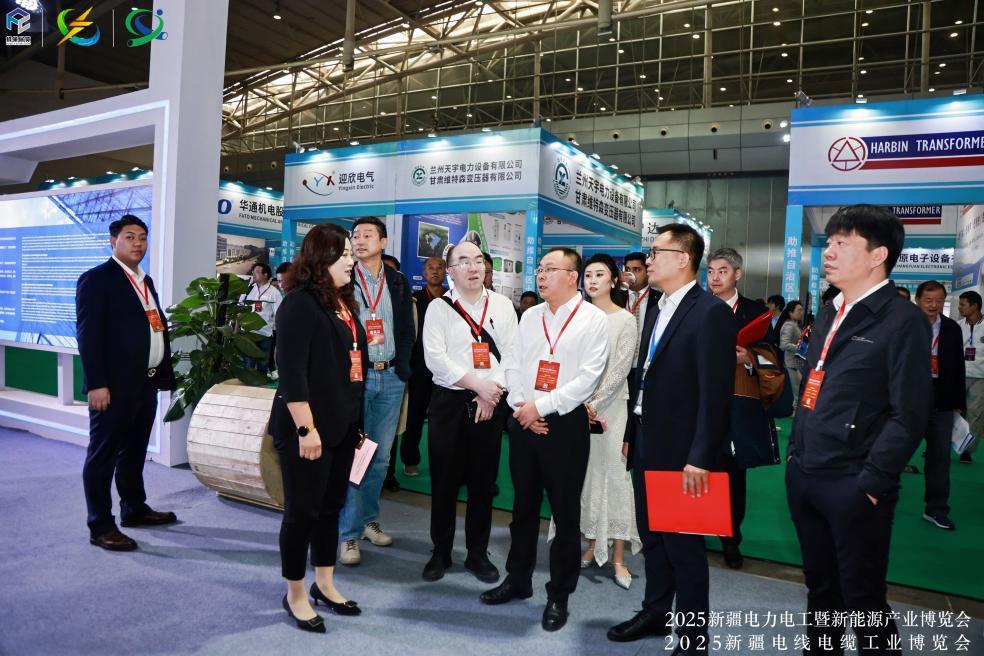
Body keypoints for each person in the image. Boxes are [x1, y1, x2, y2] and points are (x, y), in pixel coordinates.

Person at [785, 204, 931, 654]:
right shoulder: (830, 311)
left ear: (877, 255)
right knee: (820, 588)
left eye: (842, 243)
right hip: (806, 471)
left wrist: (871, 482)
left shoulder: (901, 320)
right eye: (828, 242)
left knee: (863, 599)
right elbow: (813, 386)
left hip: (854, 481)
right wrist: (795, 455)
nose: (828, 252)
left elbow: (910, 413)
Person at [608, 224, 736, 652]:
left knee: (685, 547)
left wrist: (700, 456)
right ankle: (656, 612)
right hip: (647, 440)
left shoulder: (710, 312)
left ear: (683, 259)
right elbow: (643, 378)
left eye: (655, 252)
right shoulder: (657, 307)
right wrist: (632, 432)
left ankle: (694, 636)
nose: (648, 260)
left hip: (684, 452)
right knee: (653, 538)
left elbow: (715, 395)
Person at [481, 247, 609, 633]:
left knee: (565, 515)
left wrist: (541, 407)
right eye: (540, 268)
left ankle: (559, 595)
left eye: (550, 269)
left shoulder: (593, 319)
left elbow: (587, 378)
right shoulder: (531, 315)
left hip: (565, 424)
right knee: (522, 507)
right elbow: (512, 363)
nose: (541, 275)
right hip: (525, 420)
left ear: (572, 276)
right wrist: (523, 406)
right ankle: (518, 579)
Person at [270, 224, 367, 633]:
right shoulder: (299, 303)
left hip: (341, 427)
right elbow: (292, 374)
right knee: (302, 512)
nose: (352, 260)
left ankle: (324, 584)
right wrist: (306, 430)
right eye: (344, 254)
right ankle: (294, 593)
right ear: (320, 258)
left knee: (330, 509)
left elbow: (351, 368)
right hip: (307, 430)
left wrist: (355, 424)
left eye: (351, 254)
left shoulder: (342, 302)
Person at [76, 215, 178, 552]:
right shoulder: (97, 279)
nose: (138, 243)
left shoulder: (144, 281)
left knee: (134, 452)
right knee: (103, 455)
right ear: (113, 241)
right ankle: (100, 525)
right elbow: (88, 336)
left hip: (144, 384)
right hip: (113, 387)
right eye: (130, 236)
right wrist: (96, 383)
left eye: (143, 237)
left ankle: (134, 508)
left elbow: (153, 328)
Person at [421, 240, 518, 583]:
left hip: (491, 401)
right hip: (450, 402)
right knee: (444, 482)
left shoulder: (502, 305)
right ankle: (440, 551)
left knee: (483, 483)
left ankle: (477, 553)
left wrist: (491, 392)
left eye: (478, 260)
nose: (473, 267)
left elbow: (513, 355)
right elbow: (436, 359)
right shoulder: (438, 308)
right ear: (451, 271)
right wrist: (478, 386)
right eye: (463, 261)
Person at [338, 217, 415, 566]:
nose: (359, 240)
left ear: (383, 242)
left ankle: (369, 520)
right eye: (355, 235)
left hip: (392, 377)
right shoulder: (344, 278)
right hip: (358, 377)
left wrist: (404, 368)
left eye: (368, 235)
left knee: (381, 457)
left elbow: (407, 329)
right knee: (357, 455)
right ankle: (348, 533)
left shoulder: (397, 281)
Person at [568, 253, 640, 589]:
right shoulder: (576, 316)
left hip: (610, 409)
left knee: (614, 476)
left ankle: (619, 556)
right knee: (584, 475)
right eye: (588, 275)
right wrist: (576, 403)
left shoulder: (625, 320)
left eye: (600, 274)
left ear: (614, 280)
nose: (592, 280)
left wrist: (592, 404)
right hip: (575, 407)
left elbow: (620, 370)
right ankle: (591, 544)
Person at [706, 246, 769, 571]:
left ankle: (731, 538)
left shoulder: (755, 313)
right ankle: (693, 528)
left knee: (732, 476)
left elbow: (773, 357)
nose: (715, 278)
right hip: (698, 402)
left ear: (737, 274)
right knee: (696, 469)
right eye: (711, 271)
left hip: (737, 404)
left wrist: (750, 358)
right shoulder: (695, 306)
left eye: (723, 271)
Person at [915, 281, 964, 531]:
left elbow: (958, 367)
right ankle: (876, 502)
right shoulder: (905, 326)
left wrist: (957, 403)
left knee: (940, 458)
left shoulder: (952, 328)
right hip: (910, 398)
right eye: (928, 300)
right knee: (892, 452)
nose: (933, 305)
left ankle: (936, 509)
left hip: (942, 398)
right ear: (918, 301)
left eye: (938, 300)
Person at [401, 256, 447, 477]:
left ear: (446, 272)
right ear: (424, 272)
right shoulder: (414, 300)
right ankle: (410, 460)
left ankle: (444, 463)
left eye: (440, 267)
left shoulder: (452, 299)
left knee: (444, 420)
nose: (435, 271)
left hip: (446, 369)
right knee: (414, 416)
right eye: (430, 268)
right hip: (419, 368)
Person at [621, 251, 661, 447]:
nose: (631, 274)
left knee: (638, 420)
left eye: (637, 269)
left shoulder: (660, 300)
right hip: (619, 369)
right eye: (627, 269)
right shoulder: (616, 297)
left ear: (647, 271)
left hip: (645, 370)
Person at [240, 262, 282, 373]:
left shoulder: (274, 293)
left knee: (262, 367)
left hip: (265, 335)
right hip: (248, 334)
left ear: (265, 275)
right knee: (248, 366)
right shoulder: (248, 289)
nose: (254, 274)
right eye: (253, 271)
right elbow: (239, 307)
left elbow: (279, 314)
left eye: (257, 272)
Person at [957, 290, 982, 464]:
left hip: (981, 378)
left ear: (975, 306)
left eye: (963, 304)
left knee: (975, 414)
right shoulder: (957, 326)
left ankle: (967, 450)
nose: (960, 308)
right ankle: (938, 446)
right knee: (951, 413)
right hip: (958, 375)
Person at [778, 300, 806, 396]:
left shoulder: (795, 324)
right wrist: (801, 347)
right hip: (791, 364)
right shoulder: (789, 325)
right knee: (796, 394)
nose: (801, 312)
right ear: (790, 312)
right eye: (799, 310)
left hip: (795, 364)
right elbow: (784, 344)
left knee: (797, 393)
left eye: (802, 310)